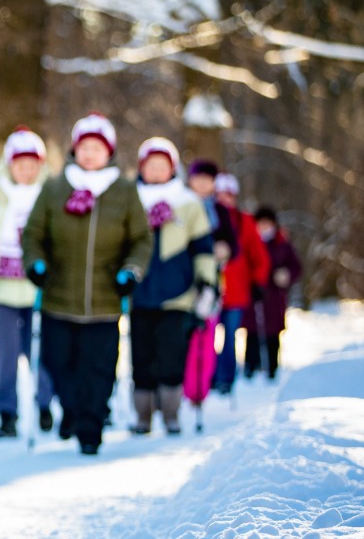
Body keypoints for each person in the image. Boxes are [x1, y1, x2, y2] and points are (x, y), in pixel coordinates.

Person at [21, 112, 152, 455]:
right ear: (74, 150)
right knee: (58, 363)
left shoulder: (124, 190)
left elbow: (140, 239)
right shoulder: (55, 187)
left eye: (97, 148)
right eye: (84, 147)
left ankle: (90, 427)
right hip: (58, 297)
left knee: (98, 369)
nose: (90, 154)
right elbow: (34, 233)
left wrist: (131, 270)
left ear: (109, 151)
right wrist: (35, 263)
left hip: (105, 301)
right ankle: (72, 410)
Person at [129, 138, 216, 435]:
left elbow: (203, 248)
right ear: (141, 168)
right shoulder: (129, 199)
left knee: (171, 357)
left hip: (177, 295)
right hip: (139, 294)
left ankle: (171, 414)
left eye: (162, 165)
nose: (156, 171)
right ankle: (143, 416)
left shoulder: (188, 203)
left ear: (172, 168)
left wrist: (207, 284)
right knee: (141, 358)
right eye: (150, 165)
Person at [0, 126, 55, 438]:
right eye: (20, 164)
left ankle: (45, 405)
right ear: (9, 164)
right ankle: (7, 413)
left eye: (32, 165)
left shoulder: (49, 193)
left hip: (37, 288)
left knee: (39, 352)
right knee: (6, 355)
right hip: (1, 288)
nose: (26, 171)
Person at [212, 173, 270, 394]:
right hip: (210, 290)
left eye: (228, 195)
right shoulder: (207, 214)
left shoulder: (244, 221)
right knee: (207, 338)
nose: (224, 199)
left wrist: (258, 282)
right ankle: (208, 377)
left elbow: (259, 256)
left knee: (229, 337)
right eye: (220, 195)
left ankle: (226, 378)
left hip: (236, 292)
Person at [243, 206, 302, 381]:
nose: (264, 227)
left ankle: (272, 368)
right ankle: (251, 366)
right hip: (254, 294)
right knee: (253, 333)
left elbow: (296, 267)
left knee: (273, 334)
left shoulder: (282, 243)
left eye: (267, 223)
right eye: (261, 223)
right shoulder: (250, 242)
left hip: (275, 296)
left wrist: (286, 275)